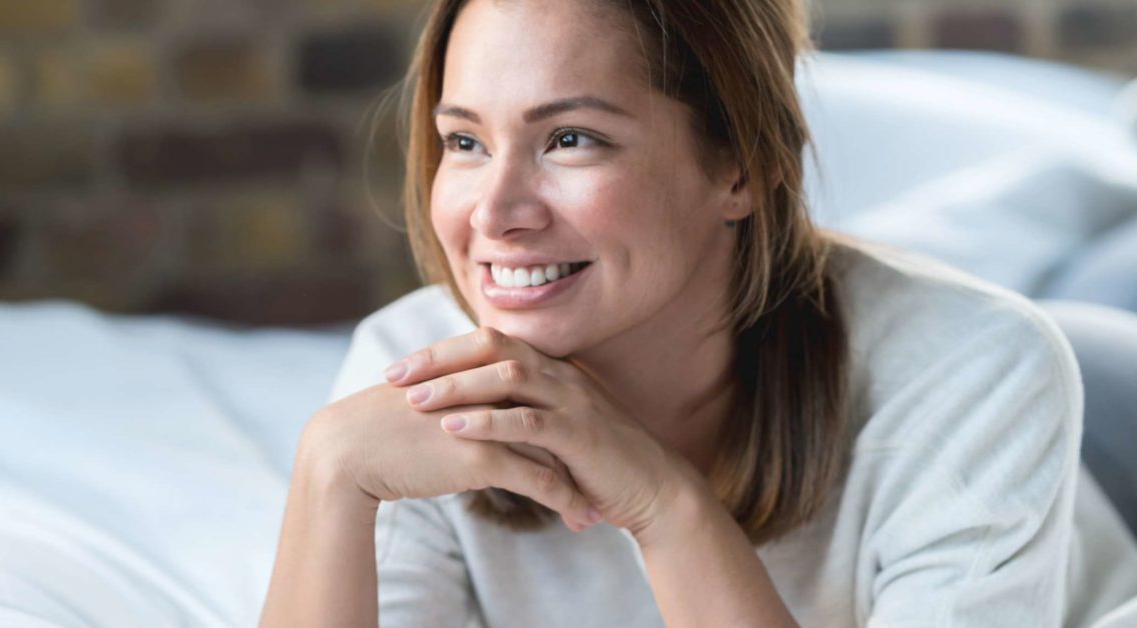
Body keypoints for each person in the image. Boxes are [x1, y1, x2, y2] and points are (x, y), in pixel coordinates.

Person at [259, 0, 1137, 625]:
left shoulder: (978, 370)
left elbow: (983, 360)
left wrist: (666, 505)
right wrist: (327, 479)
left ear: (740, 164)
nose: (493, 214)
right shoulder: (413, 362)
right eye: (466, 142)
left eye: (571, 139)